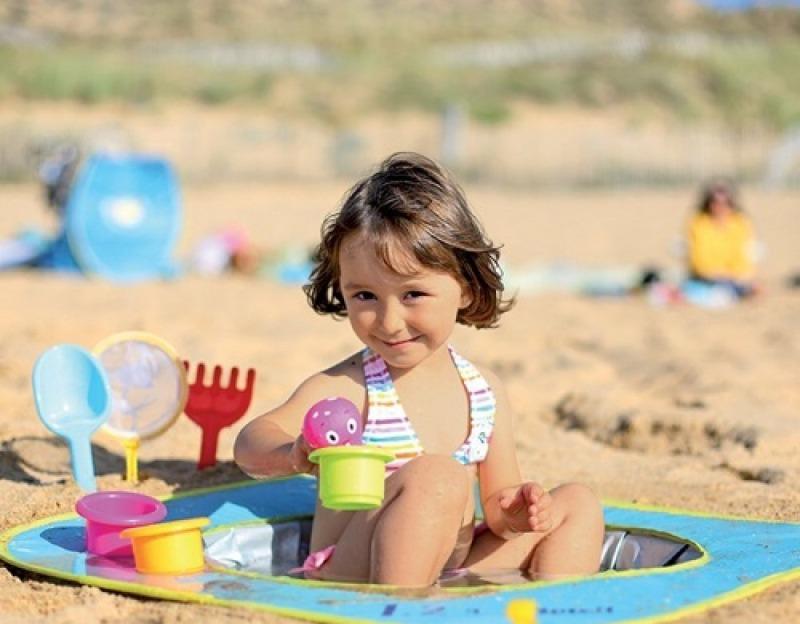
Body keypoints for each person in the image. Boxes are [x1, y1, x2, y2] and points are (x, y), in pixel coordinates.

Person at [234, 152, 604, 587]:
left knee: (577, 503)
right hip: (354, 567)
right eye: (365, 296)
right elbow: (249, 442)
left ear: (465, 289)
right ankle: (399, 608)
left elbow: (499, 510)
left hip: (451, 566)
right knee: (438, 476)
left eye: (412, 295)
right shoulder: (348, 387)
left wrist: (519, 511)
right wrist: (291, 453)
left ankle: (553, 607)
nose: (389, 322)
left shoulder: (483, 392)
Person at [685, 179, 758, 297]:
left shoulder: (740, 224)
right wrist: (717, 274)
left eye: (725, 202)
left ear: (732, 204)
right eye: (715, 202)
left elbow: (742, 258)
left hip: (735, 278)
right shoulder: (699, 224)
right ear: (708, 204)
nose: (720, 207)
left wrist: (733, 275)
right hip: (705, 278)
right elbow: (699, 259)